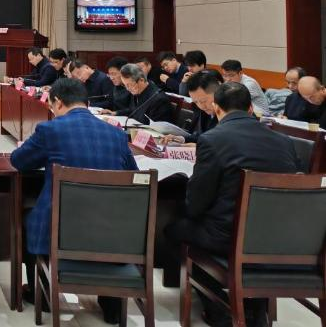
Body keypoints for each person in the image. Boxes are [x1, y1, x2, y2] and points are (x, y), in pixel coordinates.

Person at [166, 82, 300, 327]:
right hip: (280, 238)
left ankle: (218, 309)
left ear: (216, 108)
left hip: (227, 237)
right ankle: (254, 308)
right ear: (250, 108)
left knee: (174, 230)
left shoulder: (212, 139)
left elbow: (196, 203)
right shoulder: (285, 141)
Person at [10, 78, 137, 324]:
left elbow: (19, 161)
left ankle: (42, 295)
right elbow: (132, 176)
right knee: (105, 214)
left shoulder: (50, 130)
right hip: (112, 232)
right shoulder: (116, 134)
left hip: (61, 230)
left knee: (25, 218)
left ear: (57, 102)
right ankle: (112, 304)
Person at [100, 63, 176, 123]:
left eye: (129, 85)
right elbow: (134, 110)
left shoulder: (158, 99)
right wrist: (115, 113)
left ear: (141, 80)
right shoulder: (138, 91)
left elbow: (158, 127)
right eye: (125, 85)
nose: (128, 89)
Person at [163, 70, 223, 145]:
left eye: (203, 101)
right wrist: (181, 139)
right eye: (196, 102)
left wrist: (199, 147)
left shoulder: (230, 112)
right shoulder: (204, 110)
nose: (202, 106)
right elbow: (202, 137)